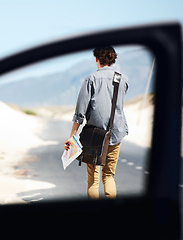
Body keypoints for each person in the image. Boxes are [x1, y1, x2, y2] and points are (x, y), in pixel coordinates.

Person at [64, 46, 128, 199]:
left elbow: (80, 111)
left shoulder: (91, 79)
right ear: (113, 59)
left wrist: (72, 135)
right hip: (116, 133)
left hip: (95, 135)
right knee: (109, 176)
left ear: (97, 59)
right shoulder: (123, 79)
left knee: (93, 180)